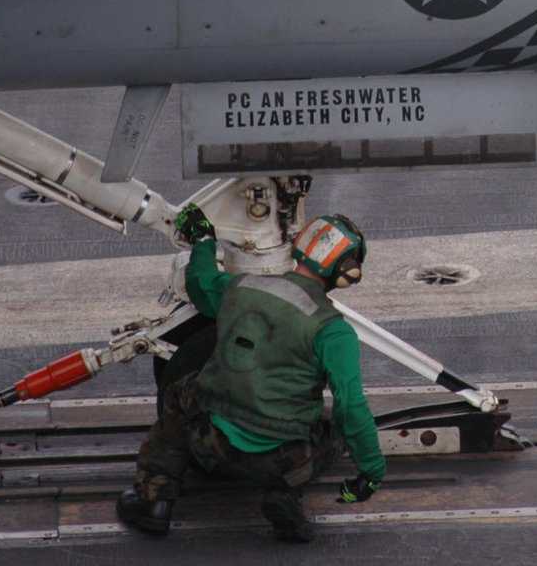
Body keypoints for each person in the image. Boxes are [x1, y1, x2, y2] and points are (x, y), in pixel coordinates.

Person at [118, 206, 387, 541]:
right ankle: (284, 495)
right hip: (285, 460)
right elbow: (353, 408)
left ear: (299, 247)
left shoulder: (241, 289)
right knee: (338, 425)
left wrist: (203, 241)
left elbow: (200, 281)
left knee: (181, 392)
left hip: (211, 444)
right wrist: (372, 470)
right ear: (347, 272)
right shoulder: (334, 332)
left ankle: (153, 501)